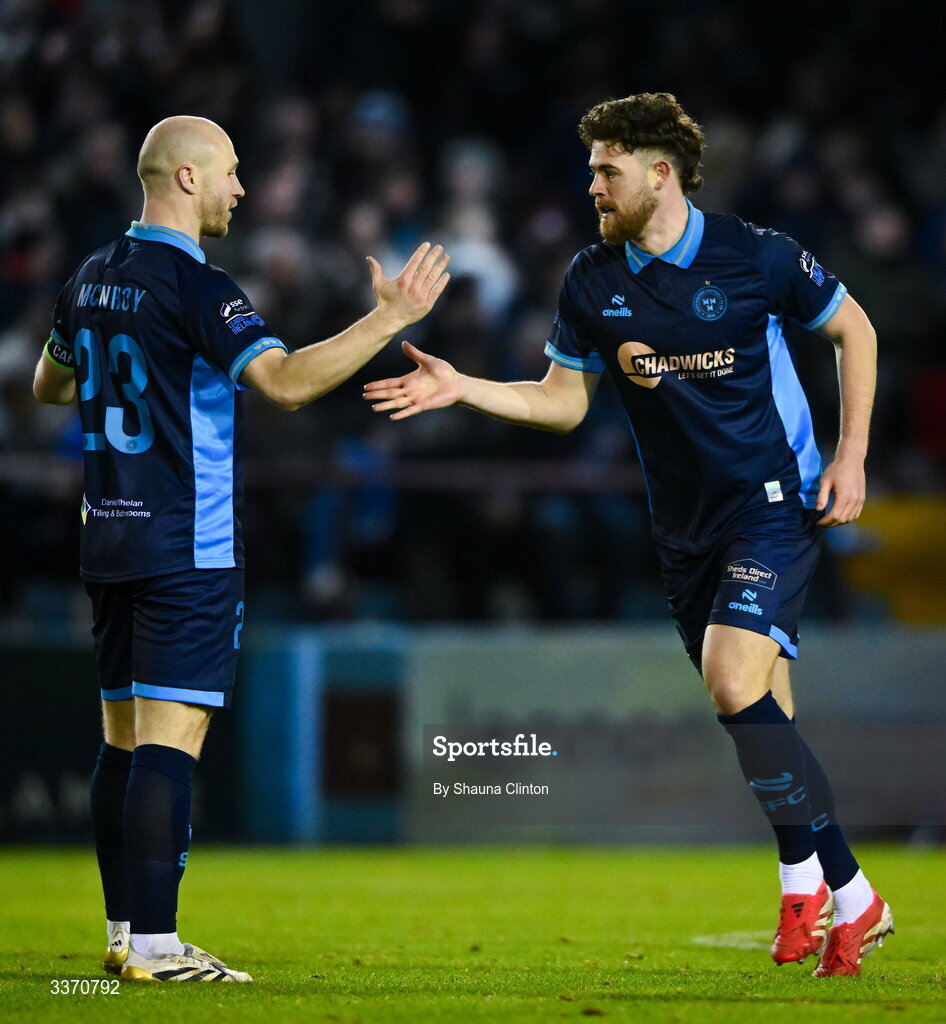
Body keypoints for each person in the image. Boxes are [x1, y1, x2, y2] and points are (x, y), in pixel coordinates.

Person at [365, 93, 890, 978]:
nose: (593, 185)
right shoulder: (591, 280)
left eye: (607, 169)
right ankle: (840, 893)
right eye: (591, 170)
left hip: (774, 499)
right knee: (766, 719)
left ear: (661, 173)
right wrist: (466, 388)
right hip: (683, 530)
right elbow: (562, 401)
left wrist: (853, 458)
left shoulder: (754, 255)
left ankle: (824, 881)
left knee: (732, 682)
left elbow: (854, 328)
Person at [33, 115, 450, 982]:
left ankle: (121, 932)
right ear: (185, 179)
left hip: (106, 536)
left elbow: (49, 382)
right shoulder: (198, 285)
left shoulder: (91, 274)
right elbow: (287, 383)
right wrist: (389, 320)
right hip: (188, 541)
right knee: (169, 744)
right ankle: (156, 945)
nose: (240, 188)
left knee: (122, 741)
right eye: (228, 171)